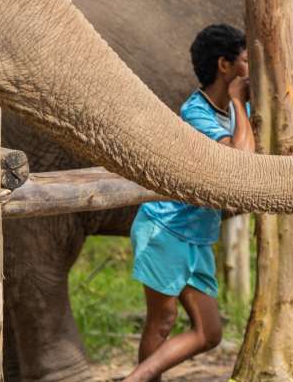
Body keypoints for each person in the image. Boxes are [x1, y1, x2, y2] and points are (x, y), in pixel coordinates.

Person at [123, 24, 253, 382]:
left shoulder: (231, 112)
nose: (249, 69)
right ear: (224, 65)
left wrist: (242, 106)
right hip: (165, 228)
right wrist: (241, 103)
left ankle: (134, 379)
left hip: (197, 235)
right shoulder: (195, 112)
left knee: (209, 333)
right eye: (244, 61)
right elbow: (240, 159)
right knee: (162, 321)